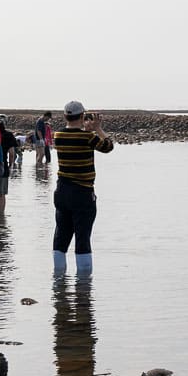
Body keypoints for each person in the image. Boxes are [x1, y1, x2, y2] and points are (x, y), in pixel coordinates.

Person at [52, 101, 114, 274]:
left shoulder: (58, 135)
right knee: (82, 238)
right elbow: (108, 146)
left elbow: (75, 138)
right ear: (82, 116)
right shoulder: (88, 137)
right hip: (82, 192)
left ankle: (59, 282)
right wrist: (98, 129)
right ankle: (84, 286)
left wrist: (86, 129)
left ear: (65, 116)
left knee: (61, 236)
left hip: (62, 191)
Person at [0, 114, 20, 215]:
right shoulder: (9, 135)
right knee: (1, 194)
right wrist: (10, 166)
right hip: (2, 167)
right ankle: (1, 216)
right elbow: (12, 154)